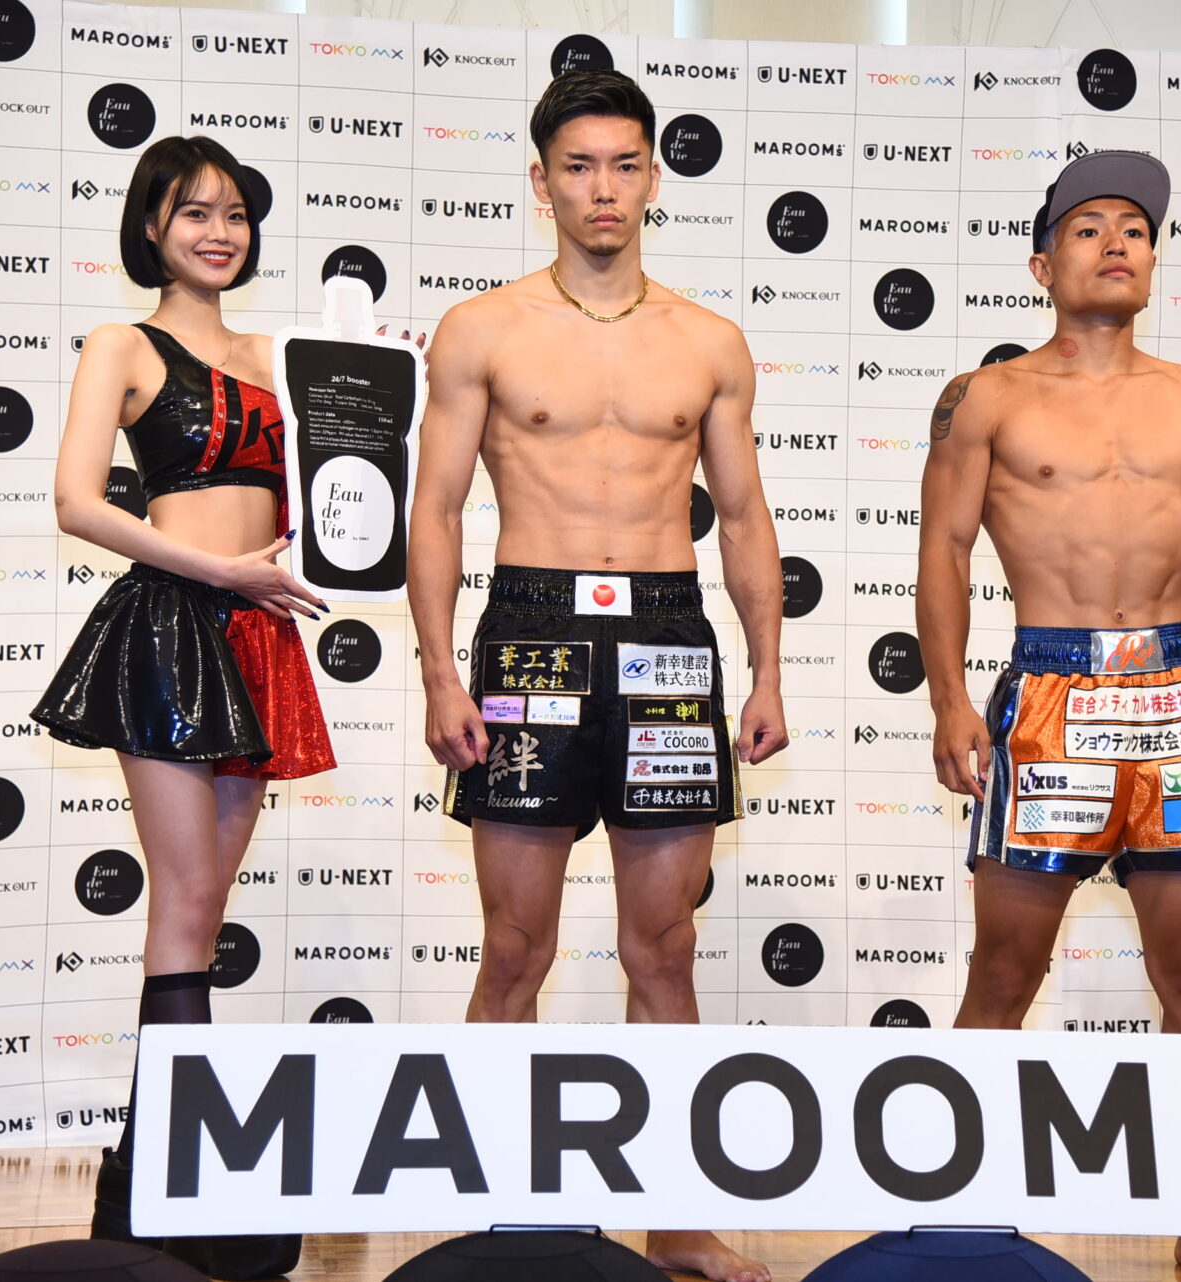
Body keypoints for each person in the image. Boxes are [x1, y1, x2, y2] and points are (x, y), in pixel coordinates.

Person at [408, 69, 786, 1282]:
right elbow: (437, 508)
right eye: (579, 166)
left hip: (669, 636)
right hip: (530, 628)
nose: (603, 188)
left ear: (654, 178)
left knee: (663, 947)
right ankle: (496, 1210)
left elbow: (743, 515)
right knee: (514, 945)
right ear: (541, 181)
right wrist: (437, 673)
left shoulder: (709, 341)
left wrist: (768, 670)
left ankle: (678, 1220)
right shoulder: (483, 329)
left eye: (625, 164)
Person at [919, 151, 1181, 1282]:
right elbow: (943, 551)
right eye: (1087, 227)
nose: (1117, 242)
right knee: (1003, 975)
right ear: (1044, 265)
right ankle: (953, 1209)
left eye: (1134, 226)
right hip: (1049, 694)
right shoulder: (989, 397)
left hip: (1172, 698)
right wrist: (949, 697)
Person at [31, 135, 332, 1279]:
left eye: (235, 213)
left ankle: (166, 1181)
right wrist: (216, 570)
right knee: (187, 899)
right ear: (150, 226)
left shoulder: (278, 355)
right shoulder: (123, 343)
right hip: (169, 625)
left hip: (260, 634)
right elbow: (76, 502)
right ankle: (168, 1188)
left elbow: (338, 497)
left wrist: (378, 399)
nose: (219, 231)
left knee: (201, 919)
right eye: (193, 211)